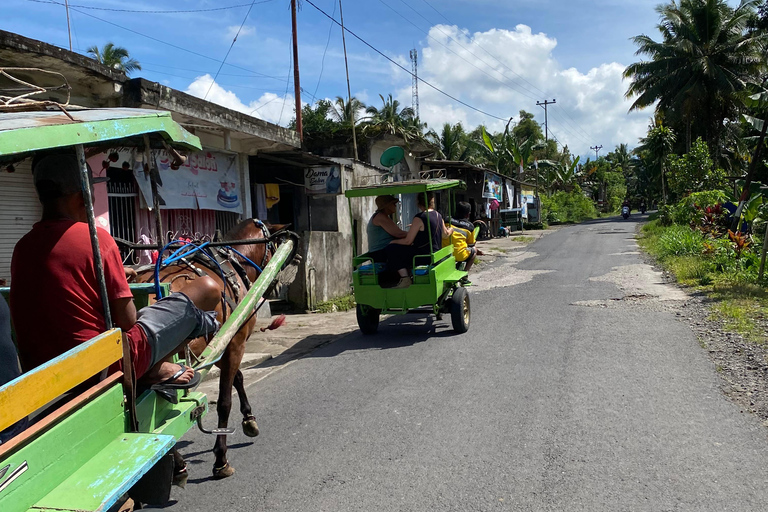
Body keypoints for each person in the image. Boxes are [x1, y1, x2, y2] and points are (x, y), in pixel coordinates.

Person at [10, 151, 222, 389]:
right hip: (105, 366)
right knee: (208, 289)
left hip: (44, 370)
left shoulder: (22, 247)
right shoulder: (96, 239)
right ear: (83, 197)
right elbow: (128, 320)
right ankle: (154, 368)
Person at [386, 192, 452, 288]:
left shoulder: (420, 217)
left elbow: (408, 241)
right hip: (435, 254)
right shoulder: (438, 215)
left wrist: (393, 242)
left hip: (422, 255)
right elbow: (445, 235)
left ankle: (405, 278)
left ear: (418, 203)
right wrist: (451, 230)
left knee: (391, 249)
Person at [367, 195, 407, 262]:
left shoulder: (384, 216)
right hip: (380, 252)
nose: (395, 206)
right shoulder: (380, 217)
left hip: (385, 250)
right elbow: (398, 234)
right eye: (393, 204)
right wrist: (414, 233)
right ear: (387, 206)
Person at [445, 201, 482, 272]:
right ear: (468, 214)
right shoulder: (470, 227)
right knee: (474, 250)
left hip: (445, 254)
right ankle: (465, 273)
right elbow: (471, 244)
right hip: (459, 255)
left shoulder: (447, 220)